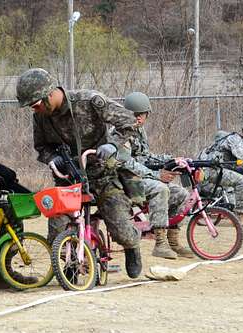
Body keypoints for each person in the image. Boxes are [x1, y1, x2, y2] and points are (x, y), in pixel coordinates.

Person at [15, 68, 146, 279]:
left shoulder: (89, 101)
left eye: (36, 104)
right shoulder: (40, 117)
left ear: (49, 95)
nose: (35, 110)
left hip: (102, 174)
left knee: (121, 229)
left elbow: (128, 121)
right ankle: (70, 260)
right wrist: (51, 158)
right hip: (68, 179)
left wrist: (112, 145)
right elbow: (41, 147)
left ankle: (133, 247)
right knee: (56, 230)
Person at [116, 92, 194, 259]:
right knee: (160, 188)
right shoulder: (120, 131)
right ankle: (160, 244)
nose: (138, 118)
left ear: (147, 115)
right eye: (134, 114)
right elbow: (126, 163)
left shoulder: (139, 131)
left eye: (141, 114)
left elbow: (144, 156)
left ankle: (173, 241)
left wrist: (171, 159)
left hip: (137, 179)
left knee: (181, 194)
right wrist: (156, 175)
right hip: (123, 181)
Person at [199, 120, 243, 218]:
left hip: (215, 169)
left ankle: (239, 213)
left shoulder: (238, 140)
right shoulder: (236, 140)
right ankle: (238, 216)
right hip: (212, 170)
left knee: (240, 180)